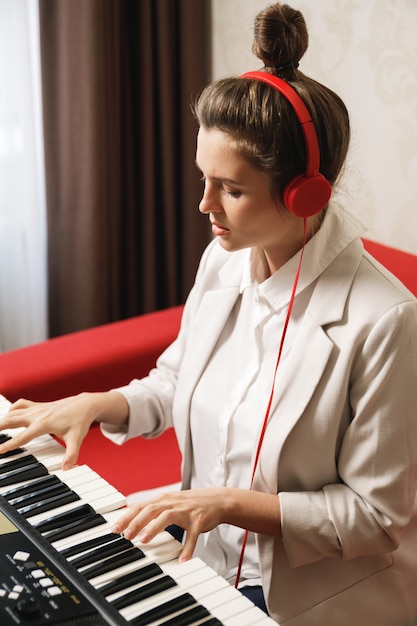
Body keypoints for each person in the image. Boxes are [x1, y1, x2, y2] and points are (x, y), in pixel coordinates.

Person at [1, 3, 417, 625]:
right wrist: (98, 403)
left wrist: (226, 504)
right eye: (204, 178)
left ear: (306, 192)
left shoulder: (386, 320)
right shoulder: (225, 261)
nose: (204, 205)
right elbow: (176, 380)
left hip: (307, 601)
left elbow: (378, 519)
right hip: (200, 564)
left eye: (232, 188)